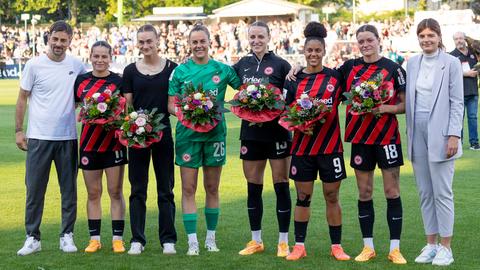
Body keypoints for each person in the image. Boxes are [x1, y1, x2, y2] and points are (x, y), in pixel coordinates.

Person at [168, 24, 241, 256]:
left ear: (210, 42)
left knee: (212, 187)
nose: (199, 46)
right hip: (187, 137)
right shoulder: (180, 71)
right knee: (188, 188)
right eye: (194, 42)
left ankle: (210, 239)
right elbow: (171, 104)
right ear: (189, 45)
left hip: (215, 136)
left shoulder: (223, 69)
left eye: (202, 41)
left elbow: (244, 92)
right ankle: (192, 242)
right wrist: (188, 114)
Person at [337, 24, 407, 264]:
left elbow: (405, 105)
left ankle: (394, 248)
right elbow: (325, 78)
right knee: (364, 192)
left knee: (391, 191)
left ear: (379, 40)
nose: (365, 45)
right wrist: (295, 70)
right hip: (360, 139)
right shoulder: (349, 68)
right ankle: (368, 247)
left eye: (369, 40)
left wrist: (384, 108)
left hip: (387, 138)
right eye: (361, 41)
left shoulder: (393, 68)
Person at [15, 21, 86, 256]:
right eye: (55, 39)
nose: (58, 44)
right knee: (35, 190)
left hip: (67, 138)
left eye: (63, 40)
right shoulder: (34, 65)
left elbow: (88, 92)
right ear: (49, 38)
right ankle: (32, 238)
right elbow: (22, 98)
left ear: (70, 41)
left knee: (69, 191)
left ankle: (67, 236)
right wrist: (18, 130)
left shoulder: (77, 65)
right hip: (38, 138)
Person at [282, 22, 350, 262]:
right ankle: (299, 246)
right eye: (309, 51)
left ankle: (337, 246)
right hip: (302, 149)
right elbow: (284, 113)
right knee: (303, 197)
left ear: (324, 51)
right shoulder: (293, 79)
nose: (313, 54)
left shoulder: (335, 77)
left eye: (317, 50)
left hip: (331, 149)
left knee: (332, 196)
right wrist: (299, 122)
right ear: (304, 51)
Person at [232, 21, 292, 257]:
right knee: (253, 187)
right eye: (253, 37)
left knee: (281, 185)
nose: (256, 40)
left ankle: (283, 241)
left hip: (277, 134)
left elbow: (291, 93)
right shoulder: (242, 65)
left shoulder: (281, 64)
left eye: (260, 36)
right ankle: (256, 240)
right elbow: (220, 76)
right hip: (251, 134)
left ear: (269, 37)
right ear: (248, 38)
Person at [406, 18, 463, 266]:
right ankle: (430, 244)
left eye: (431, 35)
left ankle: (446, 247)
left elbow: (457, 102)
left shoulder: (451, 63)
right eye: (422, 36)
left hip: (441, 133)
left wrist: (454, 135)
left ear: (439, 37)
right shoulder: (412, 62)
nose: (426, 40)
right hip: (416, 130)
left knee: (442, 192)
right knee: (425, 193)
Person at [122, 24, 177, 255]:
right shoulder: (130, 71)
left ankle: (168, 240)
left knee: (166, 189)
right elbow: (128, 107)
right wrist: (135, 126)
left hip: (163, 137)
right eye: (141, 42)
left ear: (157, 41)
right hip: (137, 139)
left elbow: (175, 103)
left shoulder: (173, 68)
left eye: (149, 41)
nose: (145, 46)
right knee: (137, 189)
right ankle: (137, 239)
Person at [74, 41, 127, 253]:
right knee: (93, 193)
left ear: (110, 57)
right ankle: (94, 239)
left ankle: (117, 239)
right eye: (96, 56)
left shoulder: (118, 82)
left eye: (104, 56)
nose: (100, 60)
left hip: (113, 144)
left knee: (115, 192)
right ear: (90, 56)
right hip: (88, 145)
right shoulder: (81, 81)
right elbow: (74, 107)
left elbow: (125, 110)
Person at [450, 31, 479, 150]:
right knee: (458, 119)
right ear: (454, 41)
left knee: (473, 118)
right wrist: (466, 73)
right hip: (459, 93)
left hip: (473, 92)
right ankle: (459, 143)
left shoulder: (473, 52)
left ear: (465, 39)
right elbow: (449, 74)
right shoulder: (452, 55)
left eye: (461, 38)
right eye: (456, 39)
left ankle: (474, 143)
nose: (459, 41)